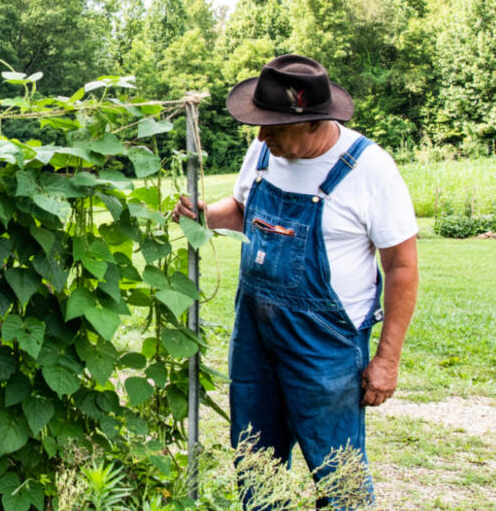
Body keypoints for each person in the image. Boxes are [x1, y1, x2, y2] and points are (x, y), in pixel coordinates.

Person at [173, 54, 419, 508]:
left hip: (324, 344)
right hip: (255, 333)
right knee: (255, 456)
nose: (261, 135)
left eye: (274, 125)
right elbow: (245, 212)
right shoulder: (265, 151)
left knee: (336, 465)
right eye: (259, 124)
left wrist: (387, 360)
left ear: (313, 123)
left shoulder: (369, 169)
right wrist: (205, 216)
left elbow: (402, 266)